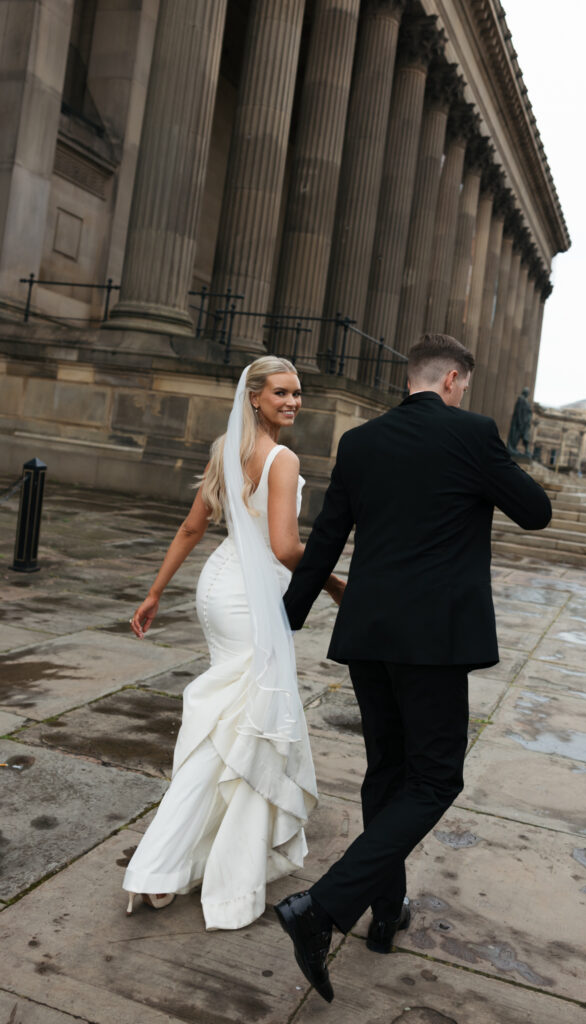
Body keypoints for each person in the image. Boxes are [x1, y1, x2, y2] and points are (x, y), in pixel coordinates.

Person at [273, 334, 552, 1002]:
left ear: (411, 378)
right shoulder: (473, 434)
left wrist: (288, 616)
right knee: (432, 779)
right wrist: (485, 467)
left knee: (387, 772)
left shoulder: (361, 443)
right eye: (462, 384)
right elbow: (535, 512)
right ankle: (324, 906)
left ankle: (382, 912)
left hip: (368, 631)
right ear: (453, 379)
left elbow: (326, 538)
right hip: (432, 640)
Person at [123, 356, 345, 930]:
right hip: (247, 600)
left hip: (218, 590)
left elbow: (193, 527)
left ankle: (186, 859)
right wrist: (340, 585)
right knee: (244, 733)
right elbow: (287, 548)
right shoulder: (281, 457)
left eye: (298, 394)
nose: (293, 402)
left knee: (231, 728)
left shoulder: (225, 446)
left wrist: (155, 593)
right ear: (254, 397)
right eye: (281, 393)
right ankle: (165, 867)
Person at [507, 386, 532, 455]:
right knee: (515, 436)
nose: (528, 394)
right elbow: (518, 411)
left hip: (524, 423)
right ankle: (512, 448)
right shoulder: (521, 399)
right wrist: (520, 421)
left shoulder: (525, 401)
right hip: (519, 422)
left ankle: (515, 448)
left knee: (521, 436)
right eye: (527, 392)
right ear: (525, 392)